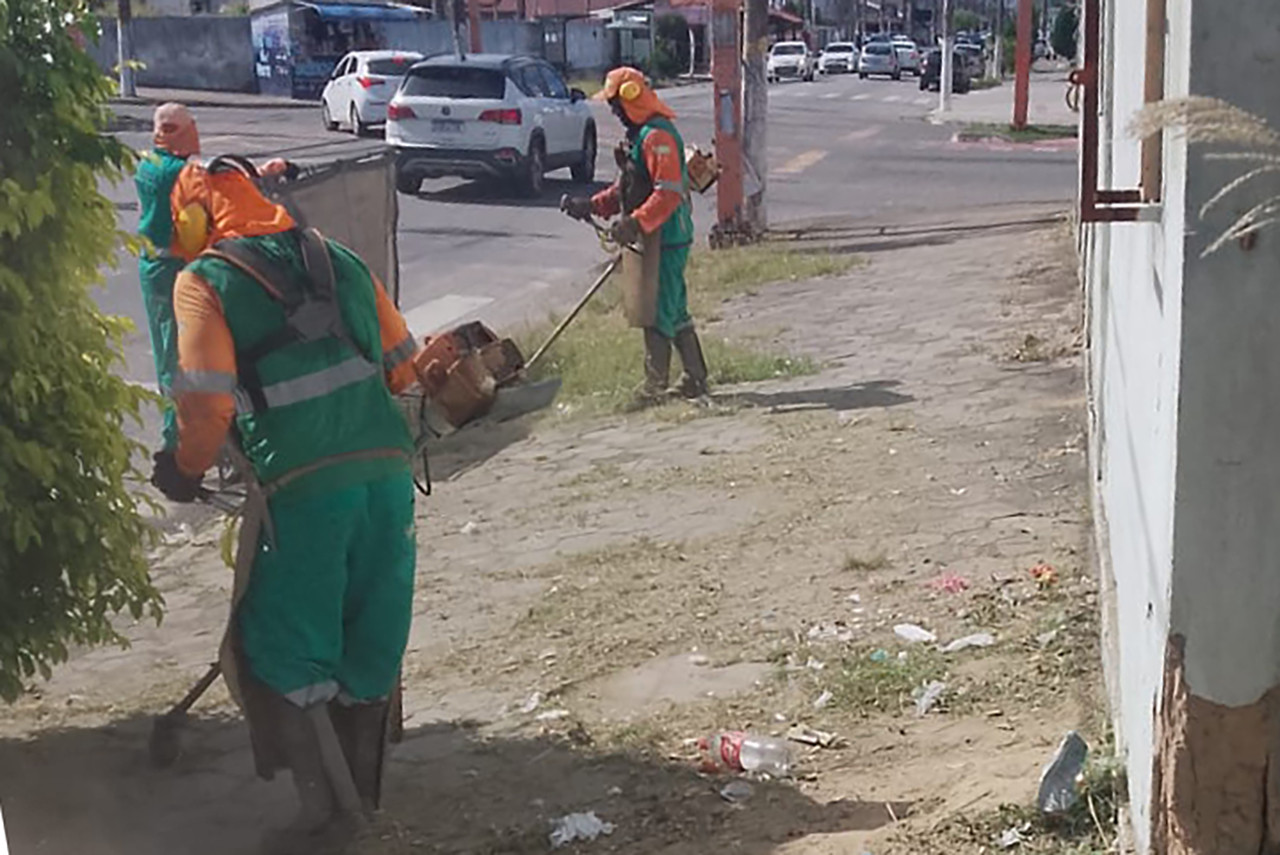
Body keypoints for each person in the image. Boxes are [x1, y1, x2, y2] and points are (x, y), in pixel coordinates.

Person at [149, 156, 421, 848]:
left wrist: (184, 468)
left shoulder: (202, 282)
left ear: (194, 220)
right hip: (389, 479)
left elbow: (206, 404)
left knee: (277, 646)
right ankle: (364, 800)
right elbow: (404, 368)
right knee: (370, 640)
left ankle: (327, 813)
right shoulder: (339, 258)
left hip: (305, 492)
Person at [561, 66, 709, 405]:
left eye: (616, 106)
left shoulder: (658, 138)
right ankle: (695, 377)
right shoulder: (640, 137)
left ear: (631, 101)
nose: (614, 113)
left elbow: (668, 193)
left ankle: (654, 386)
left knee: (656, 308)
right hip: (651, 234)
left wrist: (636, 223)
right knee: (675, 308)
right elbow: (626, 188)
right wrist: (591, 205)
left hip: (667, 236)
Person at [134, 103, 201, 450]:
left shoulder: (147, 163)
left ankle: (176, 436)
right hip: (175, 267)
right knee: (182, 356)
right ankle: (177, 443)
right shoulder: (180, 172)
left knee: (166, 353)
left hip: (151, 265)